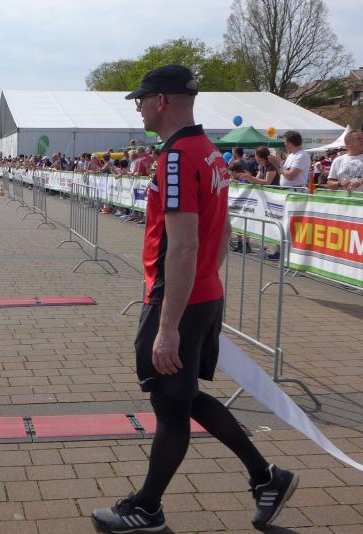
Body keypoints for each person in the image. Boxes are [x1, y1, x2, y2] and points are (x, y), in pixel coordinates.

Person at [93, 65, 297, 534]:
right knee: (183, 398)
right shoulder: (208, 151)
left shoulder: (178, 157)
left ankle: (148, 507)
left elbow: (183, 245)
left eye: (141, 99)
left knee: (170, 407)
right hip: (202, 295)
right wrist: (205, 282)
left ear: (161, 101)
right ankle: (266, 477)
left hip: (177, 300)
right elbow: (221, 230)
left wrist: (168, 326)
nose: (139, 108)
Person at [326, 129, 363, 193]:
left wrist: (360, 181)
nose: (362, 140)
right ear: (349, 143)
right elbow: (329, 184)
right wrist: (339, 183)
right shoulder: (338, 160)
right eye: (359, 139)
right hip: (344, 198)